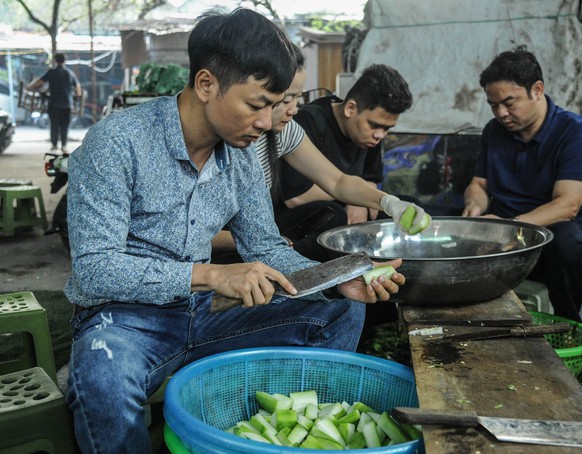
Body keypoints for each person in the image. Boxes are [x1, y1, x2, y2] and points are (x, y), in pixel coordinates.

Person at [64, 9, 405, 452]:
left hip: (208, 311)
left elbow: (264, 245)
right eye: (256, 104)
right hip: (125, 318)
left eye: (275, 104)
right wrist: (209, 275)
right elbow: (94, 270)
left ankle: (273, 436)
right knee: (103, 380)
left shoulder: (241, 153)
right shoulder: (116, 142)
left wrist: (338, 279)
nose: (267, 122)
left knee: (340, 312)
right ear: (206, 85)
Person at [211, 46, 428, 259]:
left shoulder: (285, 131)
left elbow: (338, 181)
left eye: (297, 98)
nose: (294, 109)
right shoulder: (224, 140)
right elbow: (193, 234)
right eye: (285, 100)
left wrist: (390, 203)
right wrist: (266, 242)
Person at [462, 46, 582, 322]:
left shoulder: (577, 134)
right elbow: (479, 184)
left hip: (548, 243)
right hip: (503, 234)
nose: (500, 113)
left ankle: (569, 324)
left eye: (509, 103)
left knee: (569, 242)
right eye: (493, 105)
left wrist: (507, 229)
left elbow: (568, 206)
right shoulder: (494, 131)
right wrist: (474, 209)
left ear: (537, 89)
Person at [276, 64, 416, 262]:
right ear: (351, 108)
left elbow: (365, 181)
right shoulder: (307, 121)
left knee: (399, 211)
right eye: (374, 125)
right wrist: (355, 194)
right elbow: (296, 196)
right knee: (334, 214)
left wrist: (389, 203)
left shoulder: (371, 137)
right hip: (303, 217)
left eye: (387, 129)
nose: (379, 135)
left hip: (345, 201)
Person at [27, 53, 82, 152]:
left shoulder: (51, 72)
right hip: (67, 104)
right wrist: (75, 96)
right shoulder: (70, 73)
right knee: (65, 125)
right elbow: (78, 89)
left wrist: (30, 86)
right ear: (65, 61)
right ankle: (64, 145)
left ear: (55, 61)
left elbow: (38, 83)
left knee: (54, 125)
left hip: (54, 104)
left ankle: (54, 145)